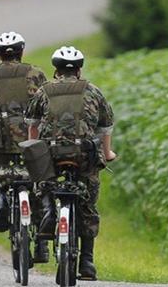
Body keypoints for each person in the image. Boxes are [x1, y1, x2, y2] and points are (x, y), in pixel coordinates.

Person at [25, 46, 116, 280]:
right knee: (88, 202)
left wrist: (35, 147)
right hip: (84, 155)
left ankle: (47, 211)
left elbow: (32, 124)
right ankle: (87, 262)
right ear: (79, 70)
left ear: (55, 70)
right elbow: (105, 127)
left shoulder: (44, 91)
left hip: (51, 153)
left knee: (42, 182)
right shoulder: (93, 91)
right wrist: (107, 153)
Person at [0, 32, 49, 263]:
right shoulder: (36, 73)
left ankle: (1, 198)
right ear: (21, 52)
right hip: (30, 137)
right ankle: (42, 243)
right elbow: (47, 106)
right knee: (36, 179)